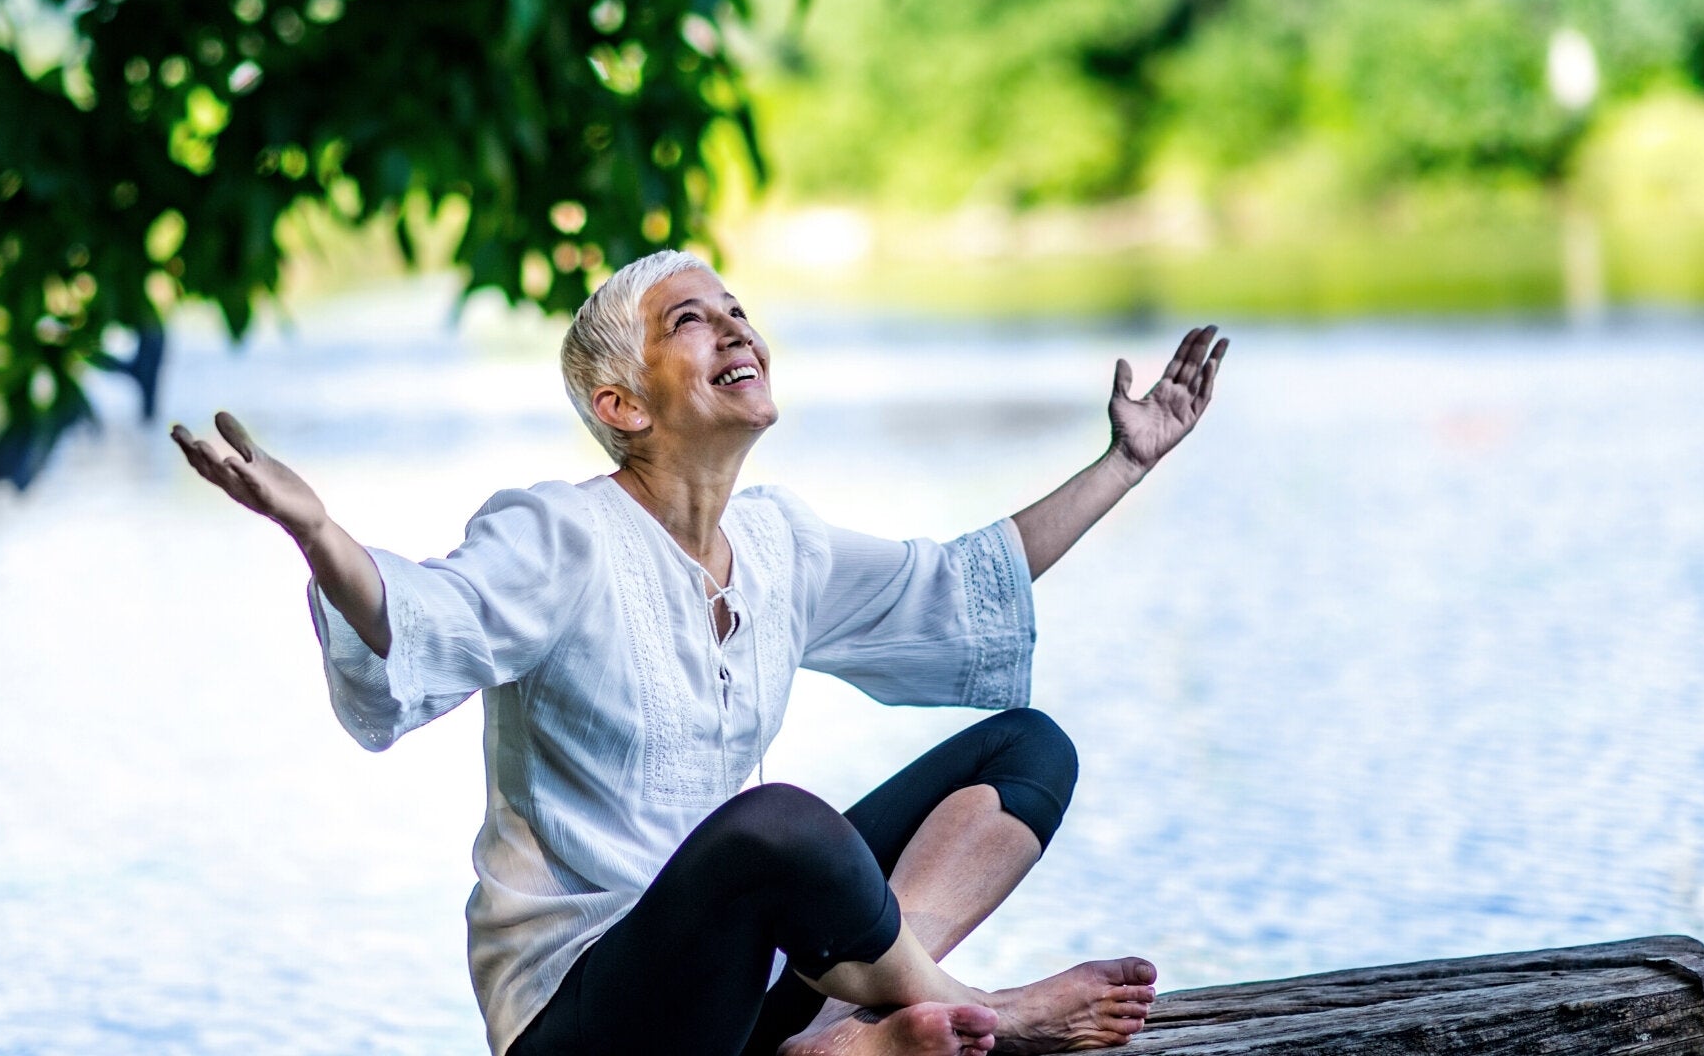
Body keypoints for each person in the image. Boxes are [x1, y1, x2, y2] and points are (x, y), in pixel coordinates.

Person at [171, 249, 1228, 1056]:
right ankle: (977, 1008)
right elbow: (421, 615)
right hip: (586, 1021)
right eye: (692, 320)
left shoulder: (778, 544)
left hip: (742, 989)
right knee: (777, 829)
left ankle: (833, 1038)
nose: (736, 331)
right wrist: (318, 534)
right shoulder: (563, 535)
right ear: (621, 405)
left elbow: (960, 591)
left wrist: (1124, 464)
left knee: (1027, 750)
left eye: (739, 313)